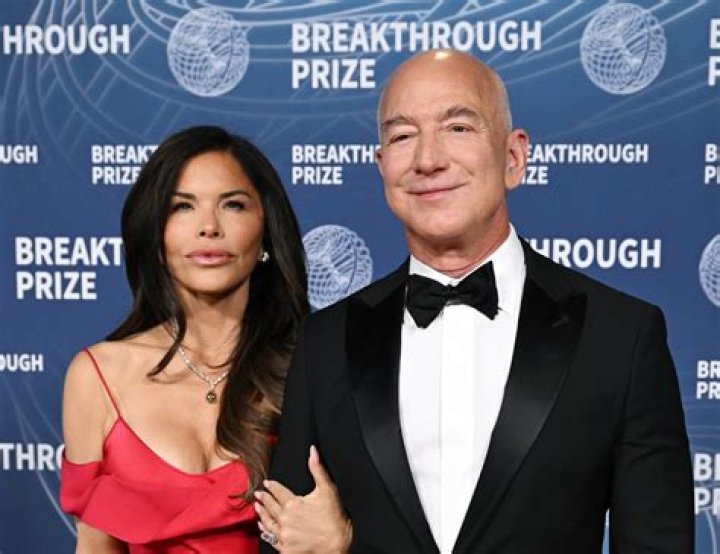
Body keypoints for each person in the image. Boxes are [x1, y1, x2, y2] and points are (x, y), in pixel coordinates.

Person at [258, 50, 694, 553]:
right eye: (402, 136)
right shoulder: (325, 343)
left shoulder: (620, 335)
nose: (428, 159)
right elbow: (283, 537)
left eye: (458, 127)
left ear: (514, 157)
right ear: (382, 167)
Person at [60, 125, 313, 552]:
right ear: (155, 233)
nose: (208, 227)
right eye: (182, 207)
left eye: (233, 205)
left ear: (266, 231)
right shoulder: (97, 376)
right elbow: (95, 546)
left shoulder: (314, 362)